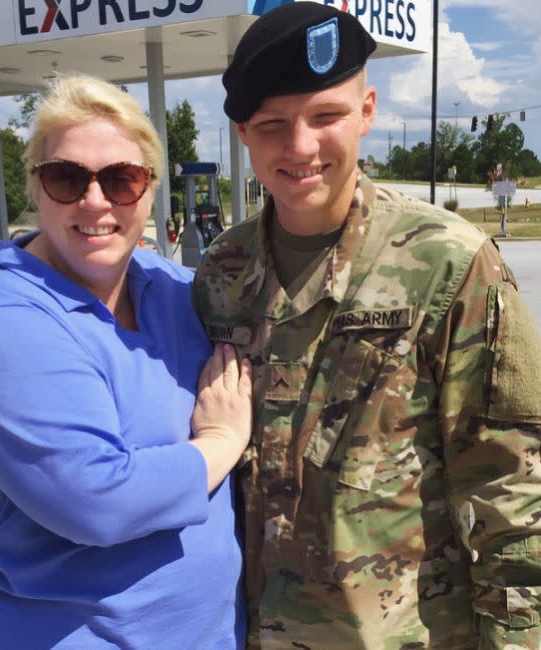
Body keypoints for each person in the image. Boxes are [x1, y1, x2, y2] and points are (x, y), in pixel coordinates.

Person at [192, 3, 541, 649]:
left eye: (325, 117)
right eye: (273, 125)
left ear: (368, 112)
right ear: (243, 132)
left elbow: (513, 489)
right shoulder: (221, 274)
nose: (300, 147)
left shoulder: (449, 263)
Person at [0, 74, 252, 650]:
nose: (94, 201)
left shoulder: (176, 292)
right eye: (66, 178)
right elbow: (97, 501)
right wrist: (221, 441)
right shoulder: (2, 323)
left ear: (150, 190)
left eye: (122, 179)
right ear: (36, 187)